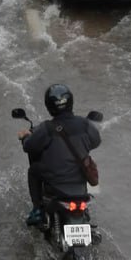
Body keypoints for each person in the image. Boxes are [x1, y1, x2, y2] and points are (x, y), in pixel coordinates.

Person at [19, 84, 101, 227]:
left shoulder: (46, 128)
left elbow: (29, 147)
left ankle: (37, 210)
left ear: (49, 106)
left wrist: (25, 137)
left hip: (55, 184)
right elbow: (96, 141)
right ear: (71, 102)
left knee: (34, 171)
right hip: (79, 183)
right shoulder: (85, 125)